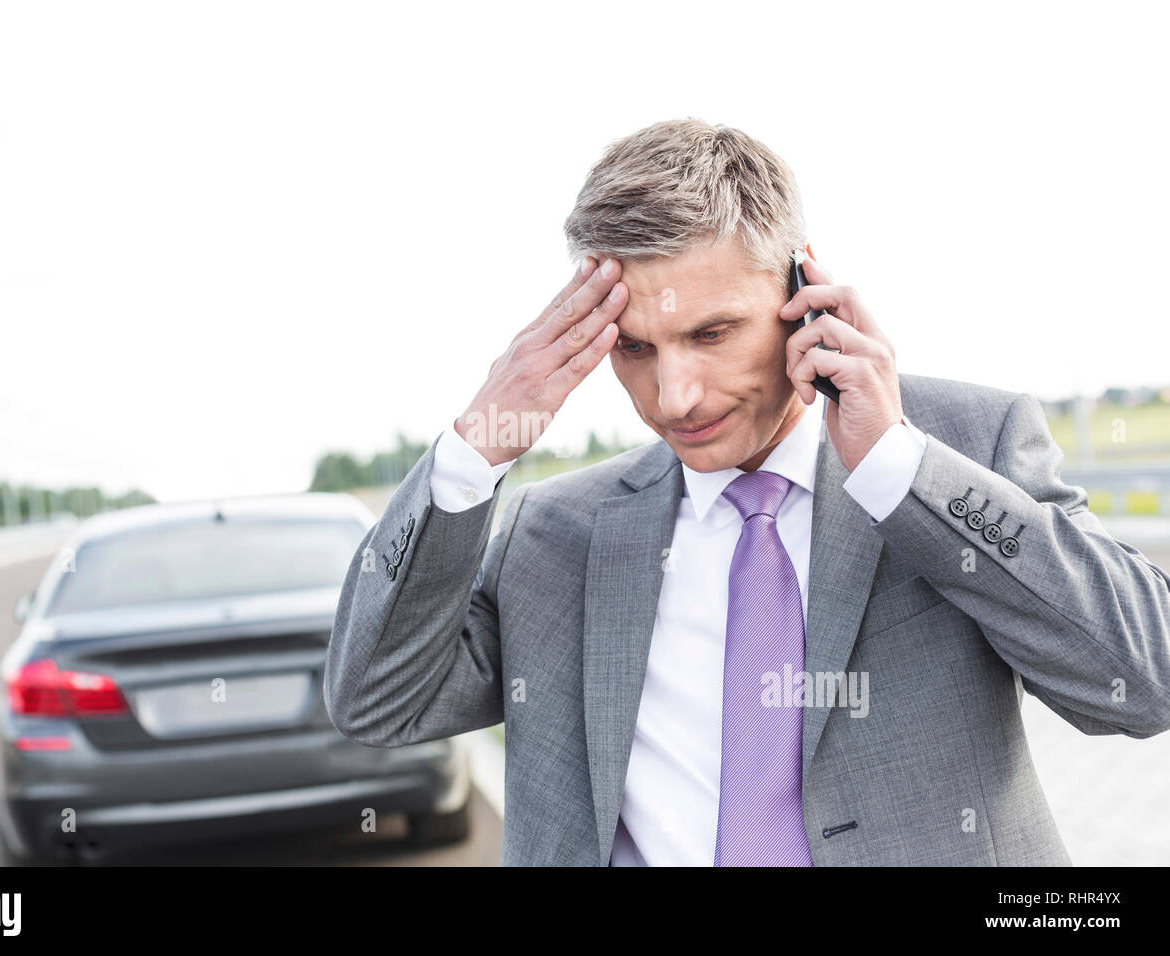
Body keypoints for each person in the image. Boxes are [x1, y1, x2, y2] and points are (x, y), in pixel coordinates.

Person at [323, 118, 1170, 865]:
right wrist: (475, 452)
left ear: (802, 297)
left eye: (712, 333)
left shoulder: (961, 447)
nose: (675, 395)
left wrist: (900, 471)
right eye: (635, 348)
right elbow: (377, 701)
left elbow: (1144, 681)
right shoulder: (557, 531)